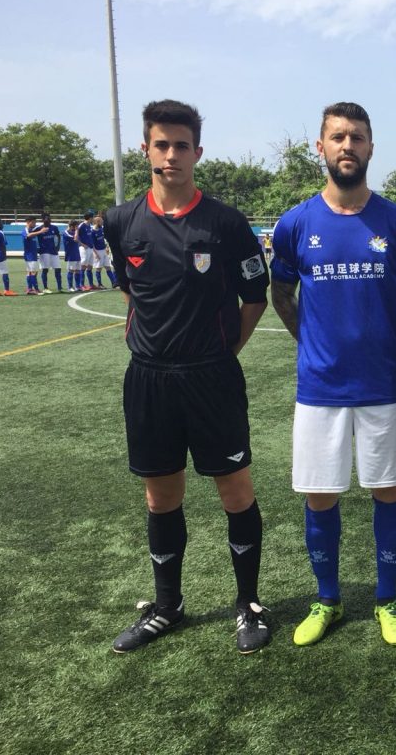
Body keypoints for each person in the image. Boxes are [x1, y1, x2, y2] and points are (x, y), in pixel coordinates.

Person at [105, 99, 272, 654]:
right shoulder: (121, 222)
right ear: (145, 149)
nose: (171, 154)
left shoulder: (225, 224)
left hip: (212, 378)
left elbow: (254, 296)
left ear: (198, 152)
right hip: (149, 379)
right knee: (160, 496)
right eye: (162, 144)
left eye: (181, 145)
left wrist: (226, 350)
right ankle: (167, 606)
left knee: (235, 490)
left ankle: (248, 603)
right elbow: (131, 290)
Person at [271, 102, 396, 649]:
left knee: (387, 490)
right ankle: (328, 599)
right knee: (320, 495)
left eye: (357, 137)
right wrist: (310, 344)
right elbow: (281, 293)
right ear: (320, 147)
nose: (348, 145)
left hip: (383, 385)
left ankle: (387, 599)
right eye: (338, 137)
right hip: (320, 388)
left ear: (370, 147)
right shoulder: (295, 224)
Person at [36, 213, 63, 293]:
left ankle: (60, 288)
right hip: (44, 252)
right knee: (45, 270)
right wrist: (37, 248)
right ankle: (45, 288)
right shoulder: (39, 228)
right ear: (42, 220)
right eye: (46, 218)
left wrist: (58, 245)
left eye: (49, 218)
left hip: (53, 251)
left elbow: (58, 235)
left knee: (58, 269)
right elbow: (31, 236)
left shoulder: (54, 227)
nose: (48, 220)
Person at [91, 215, 118, 289]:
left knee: (108, 267)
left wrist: (107, 247)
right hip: (98, 251)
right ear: (97, 222)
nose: (102, 222)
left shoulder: (101, 229)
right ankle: (99, 284)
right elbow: (92, 244)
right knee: (99, 268)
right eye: (101, 221)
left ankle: (114, 283)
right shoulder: (92, 231)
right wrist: (95, 253)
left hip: (104, 251)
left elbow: (104, 239)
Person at [22, 216, 43, 294]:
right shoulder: (25, 230)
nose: (35, 224)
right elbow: (28, 235)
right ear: (28, 222)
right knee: (33, 272)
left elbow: (38, 228)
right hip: (30, 255)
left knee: (30, 272)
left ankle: (30, 289)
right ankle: (36, 289)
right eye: (34, 222)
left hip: (32, 254)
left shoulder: (32, 230)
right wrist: (40, 232)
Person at [76, 212, 96, 290]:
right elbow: (76, 236)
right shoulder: (81, 225)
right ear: (90, 218)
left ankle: (91, 284)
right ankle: (81, 284)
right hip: (84, 249)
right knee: (83, 266)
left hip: (90, 248)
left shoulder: (89, 226)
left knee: (90, 266)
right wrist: (82, 244)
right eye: (93, 217)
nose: (93, 219)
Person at [62, 220, 82, 291]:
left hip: (77, 253)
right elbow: (75, 239)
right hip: (71, 254)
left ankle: (77, 286)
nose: (77, 228)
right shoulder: (66, 233)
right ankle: (70, 287)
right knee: (71, 270)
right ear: (71, 226)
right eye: (76, 226)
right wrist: (76, 230)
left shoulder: (74, 232)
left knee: (78, 270)